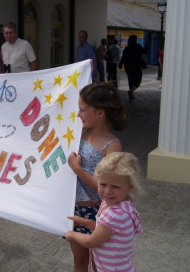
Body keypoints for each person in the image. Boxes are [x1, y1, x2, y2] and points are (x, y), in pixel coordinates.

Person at [67, 82, 128, 272]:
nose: (78, 114)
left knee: (98, 263)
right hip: (74, 209)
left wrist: (79, 171)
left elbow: (107, 188)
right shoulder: (80, 132)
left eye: (83, 110)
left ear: (100, 112)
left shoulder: (112, 146)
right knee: (79, 261)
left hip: (95, 212)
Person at [66, 152, 142, 272]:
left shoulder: (116, 214)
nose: (107, 191)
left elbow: (91, 241)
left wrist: (71, 234)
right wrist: (85, 222)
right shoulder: (113, 202)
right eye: (102, 184)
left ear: (130, 187)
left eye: (115, 187)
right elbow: (104, 229)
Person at [118, 35, 146, 100]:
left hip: (128, 66)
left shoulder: (127, 48)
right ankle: (131, 92)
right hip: (136, 66)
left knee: (130, 80)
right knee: (138, 80)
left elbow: (123, 57)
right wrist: (147, 45)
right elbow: (145, 51)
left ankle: (131, 93)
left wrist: (120, 64)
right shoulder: (138, 47)